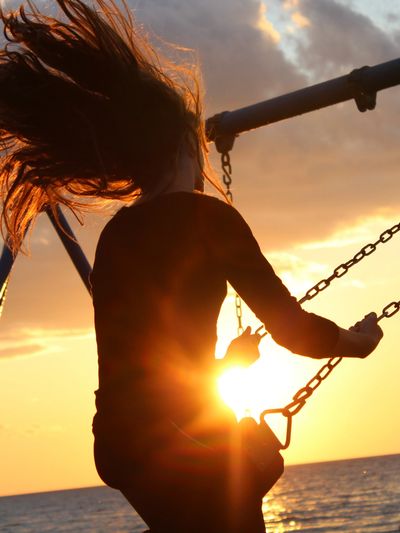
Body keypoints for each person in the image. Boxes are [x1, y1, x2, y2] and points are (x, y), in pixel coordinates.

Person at [0, 2, 383, 532]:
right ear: (185, 142)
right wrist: (354, 343)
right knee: (256, 464)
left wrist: (226, 365)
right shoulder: (208, 219)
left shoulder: (116, 235)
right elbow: (293, 331)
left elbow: (146, 355)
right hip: (175, 439)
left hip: (118, 444)